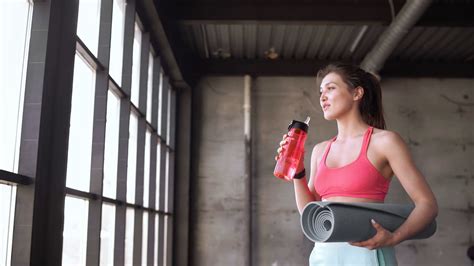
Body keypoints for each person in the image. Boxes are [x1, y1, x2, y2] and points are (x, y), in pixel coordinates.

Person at [275, 63, 438, 265]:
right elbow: (311, 213)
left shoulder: (385, 142)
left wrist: (394, 237)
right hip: (324, 257)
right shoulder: (320, 150)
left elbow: (427, 205)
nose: (322, 96)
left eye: (331, 88)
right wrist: (298, 173)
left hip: (368, 256)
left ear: (356, 93)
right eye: (320, 91)